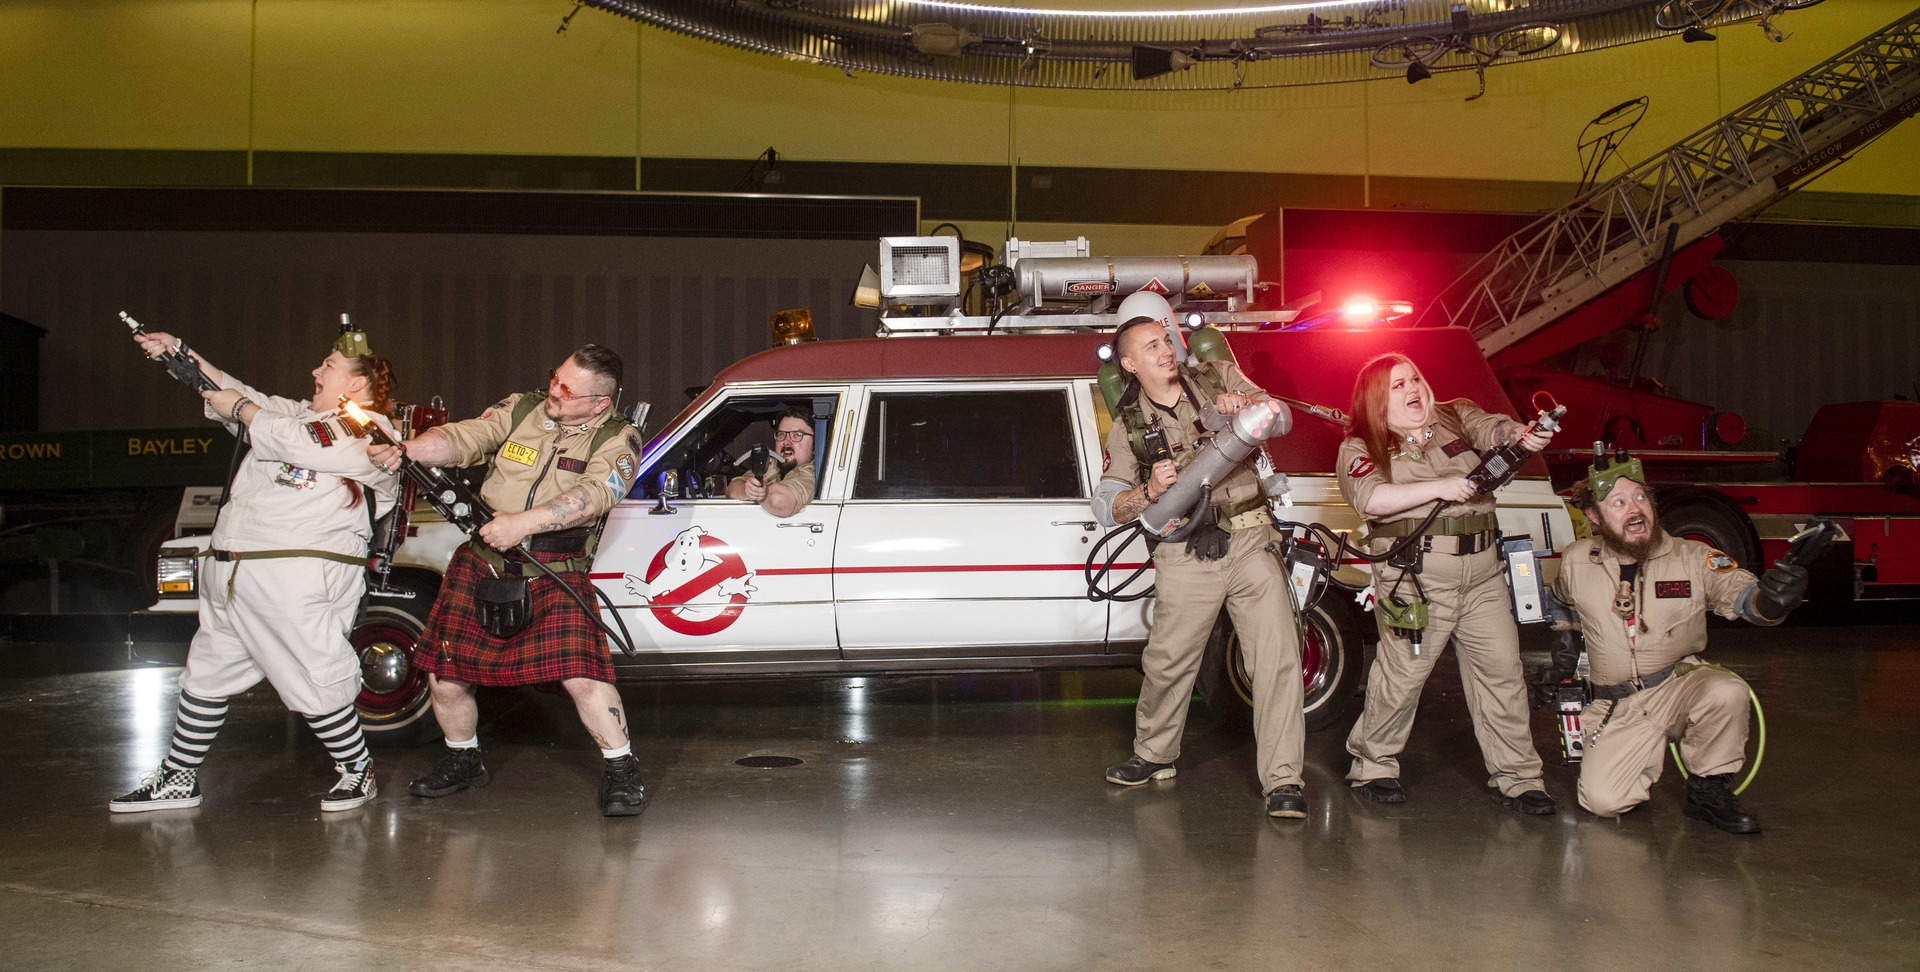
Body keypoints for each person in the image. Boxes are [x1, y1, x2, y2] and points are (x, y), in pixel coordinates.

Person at [112, 325, 399, 814]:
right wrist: (181, 353)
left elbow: (293, 436)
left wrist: (243, 412)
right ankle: (179, 777)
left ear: (356, 384)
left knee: (316, 673)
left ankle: (357, 770)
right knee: (205, 676)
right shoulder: (295, 416)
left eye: (327, 366)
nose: (315, 371)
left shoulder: (369, 431)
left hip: (298, 576)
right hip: (235, 570)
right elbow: (242, 396)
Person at [369, 346, 647, 816]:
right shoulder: (523, 408)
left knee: (584, 677)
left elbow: (598, 493)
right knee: (445, 674)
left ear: (600, 402)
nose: (554, 391)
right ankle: (463, 760)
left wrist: (524, 523)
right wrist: (409, 449)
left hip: (551, 569)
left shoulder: (619, 439)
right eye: (555, 378)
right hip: (482, 562)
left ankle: (622, 771)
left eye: (567, 389)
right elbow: (467, 437)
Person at [1093, 304, 1309, 819]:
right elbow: (1106, 506)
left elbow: (1284, 419)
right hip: (1184, 551)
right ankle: (1154, 753)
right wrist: (1147, 490)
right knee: (1168, 662)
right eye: (1152, 346)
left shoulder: (1216, 378)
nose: (1167, 350)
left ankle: (1283, 780)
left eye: (1167, 341)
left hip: (1251, 538)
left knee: (1276, 658)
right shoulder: (1127, 426)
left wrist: (1251, 404)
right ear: (1128, 365)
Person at [1335, 353, 1555, 814]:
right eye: (1397, 385)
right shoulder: (1363, 445)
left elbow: (1494, 429)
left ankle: (1518, 777)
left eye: (1414, 377)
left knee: (1502, 673)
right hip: (1416, 578)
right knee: (1402, 677)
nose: (1412, 387)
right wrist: (1440, 487)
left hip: (1483, 574)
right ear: (1377, 399)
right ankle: (1373, 766)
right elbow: (1371, 499)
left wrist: (1522, 435)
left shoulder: (1453, 415)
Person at [1550, 453, 1804, 833]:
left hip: (1677, 686)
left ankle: (1708, 788)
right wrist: (1562, 660)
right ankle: (1638, 759)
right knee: (1603, 802)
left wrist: (1771, 600)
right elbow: (1560, 600)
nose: (1635, 511)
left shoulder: (1693, 557)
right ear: (1595, 518)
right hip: (1616, 702)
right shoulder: (1575, 560)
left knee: (1726, 691)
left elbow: (1740, 594)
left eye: (1640, 498)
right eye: (1618, 503)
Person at [725, 406, 817, 517]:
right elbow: (732, 489)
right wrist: (747, 490)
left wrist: (760, 494)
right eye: (781, 434)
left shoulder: (812, 474)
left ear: (816, 443)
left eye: (797, 435)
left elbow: (778, 501)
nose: (786, 442)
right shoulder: (773, 465)